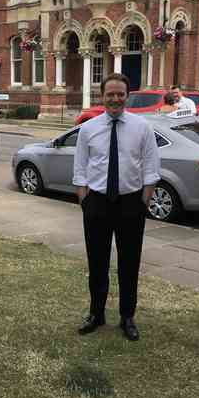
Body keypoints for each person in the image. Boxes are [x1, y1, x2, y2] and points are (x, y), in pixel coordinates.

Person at [73, 73, 160, 341]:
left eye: (120, 94)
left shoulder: (141, 127)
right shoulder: (88, 128)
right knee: (97, 261)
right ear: (102, 96)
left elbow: (151, 166)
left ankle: (127, 316)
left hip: (131, 203)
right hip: (97, 202)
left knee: (129, 263)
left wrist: (144, 199)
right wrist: (84, 199)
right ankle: (96, 314)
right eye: (110, 94)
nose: (115, 99)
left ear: (127, 95)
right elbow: (80, 167)